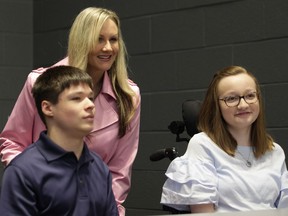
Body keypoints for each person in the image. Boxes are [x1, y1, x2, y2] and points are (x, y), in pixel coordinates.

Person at [0, 7, 141, 216]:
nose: (108, 48)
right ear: (82, 41)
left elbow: (120, 170)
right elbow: (12, 142)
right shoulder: (40, 83)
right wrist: (35, 182)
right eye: (99, 39)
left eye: (114, 39)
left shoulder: (129, 96)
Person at [160, 66, 288, 213]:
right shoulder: (203, 145)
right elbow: (203, 212)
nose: (243, 105)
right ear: (217, 106)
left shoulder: (274, 151)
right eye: (231, 98)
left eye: (250, 96)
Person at [0, 65, 119, 216]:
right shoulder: (22, 171)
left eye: (90, 98)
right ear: (48, 108)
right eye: (76, 98)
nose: (90, 105)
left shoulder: (100, 168)